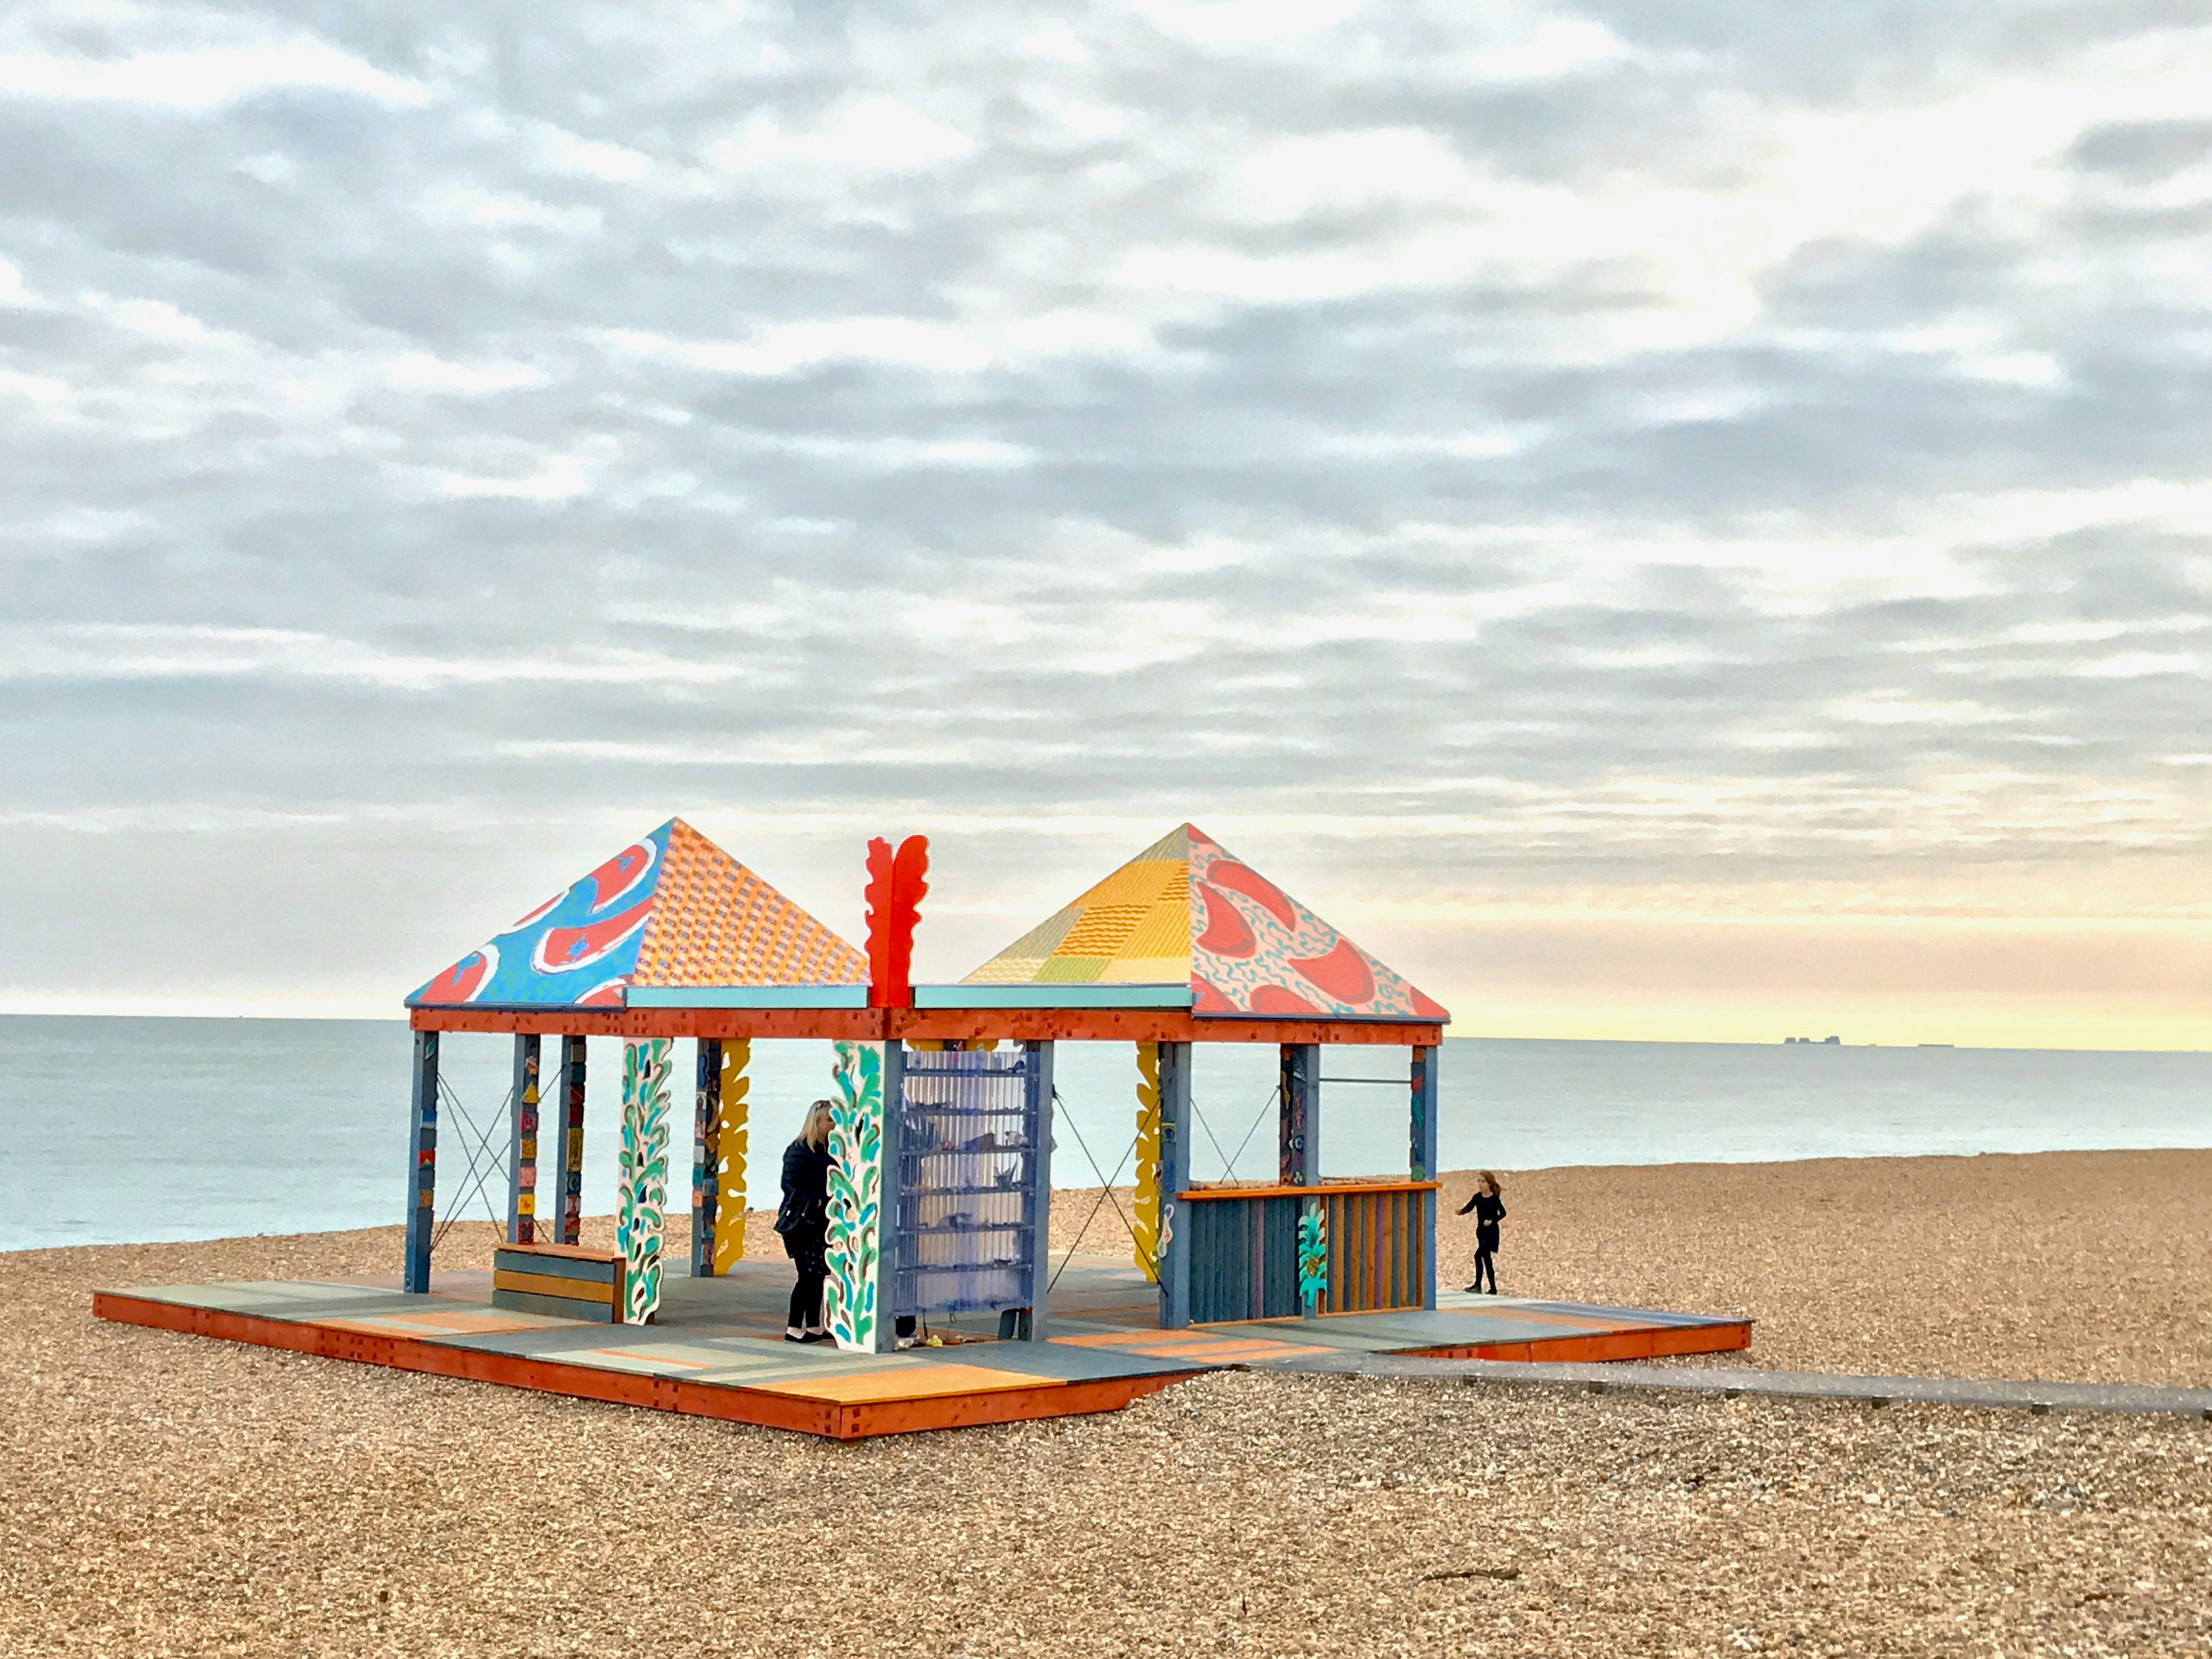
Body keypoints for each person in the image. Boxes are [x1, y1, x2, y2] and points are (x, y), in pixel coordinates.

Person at [776, 1101, 835, 1342]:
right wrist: (816, 1201)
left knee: (820, 1272)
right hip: (801, 1221)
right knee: (807, 1274)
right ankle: (793, 1327)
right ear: (817, 1122)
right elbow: (788, 1185)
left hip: (822, 1220)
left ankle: (814, 1324)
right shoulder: (799, 1150)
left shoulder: (830, 1149)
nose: (833, 1126)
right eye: (829, 1121)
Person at [1457, 1171, 1505, 1294]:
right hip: (1481, 1232)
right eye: (1479, 1181)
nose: (1480, 1184)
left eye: (1483, 1181)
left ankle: (1483, 1286)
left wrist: (1493, 1221)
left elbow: (1503, 1213)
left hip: (1491, 1232)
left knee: (1480, 1256)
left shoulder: (1494, 1199)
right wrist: (1461, 1212)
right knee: (1484, 1258)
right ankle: (1488, 1287)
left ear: (1489, 1184)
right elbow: (1470, 1206)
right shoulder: (1477, 1197)